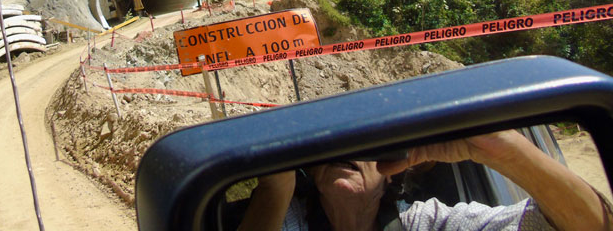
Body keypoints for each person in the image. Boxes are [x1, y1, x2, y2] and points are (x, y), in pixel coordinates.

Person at [237, 130, 613, 231]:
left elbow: (589, 225)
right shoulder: (286, 219)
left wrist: (502, 150)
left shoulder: (429, 223)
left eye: (365, 142)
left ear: (392, 174)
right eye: (326, 145)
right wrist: (275, 186)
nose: (343, 151)